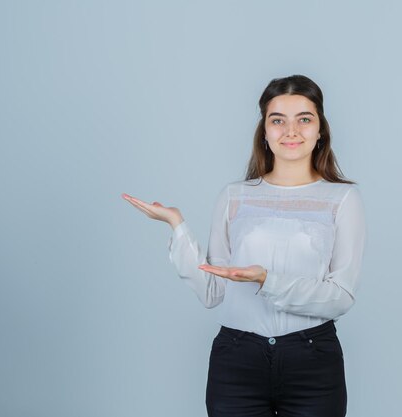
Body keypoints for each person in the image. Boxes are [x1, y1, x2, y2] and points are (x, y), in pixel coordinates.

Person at [122, 74, 367, 417]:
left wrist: (266, 279)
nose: (291, 131)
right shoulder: (235, 195)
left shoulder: (343, 198)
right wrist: (176, 226)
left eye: (304, 119)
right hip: (237, 359)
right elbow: (212, 292)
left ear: (320, 130)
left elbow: (340, 296)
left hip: (312, 359)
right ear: (265, 131)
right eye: (277, 120)